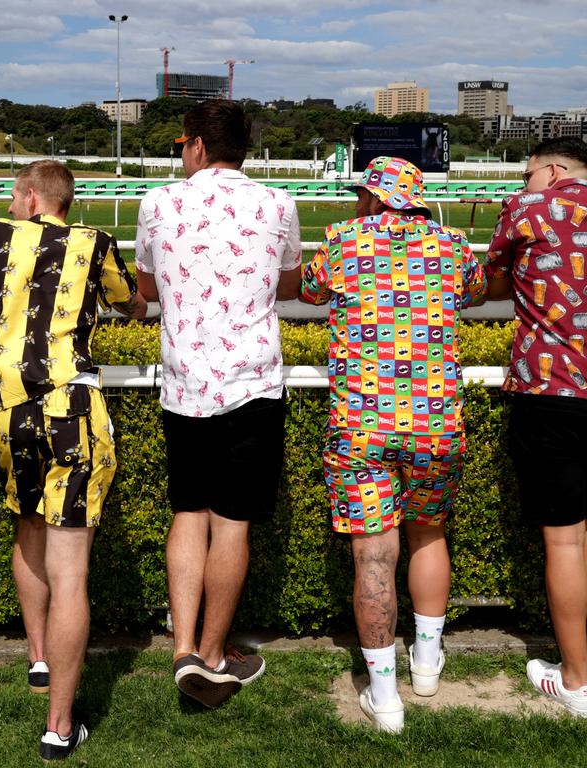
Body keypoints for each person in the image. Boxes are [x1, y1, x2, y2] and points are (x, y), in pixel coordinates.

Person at [300, 156, 486, 732]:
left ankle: (385, 699)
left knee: (373, 553)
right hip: (436, 425)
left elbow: (309, 294)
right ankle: (426, 666)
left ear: (375, 197)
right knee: (429, 533)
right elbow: (474, 295)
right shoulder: (453, 244)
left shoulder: (341, 239)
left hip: (362, 424)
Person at [0, 159, 143, 760]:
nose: (11, 204)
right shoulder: (95, 243)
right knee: (72, 572)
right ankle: (59, 726)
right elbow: (131, 304)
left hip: (4, 411)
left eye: (16, 195)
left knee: (27, 524)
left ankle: (39, 658)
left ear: (31, 194)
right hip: (73, 409)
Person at [133, 100, 302, 709]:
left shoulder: (157, 203)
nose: (181, 153)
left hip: (184, 386)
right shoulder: (278, 204)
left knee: (189, 513)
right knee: (233, 522)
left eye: (183, 144)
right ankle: (211, 652)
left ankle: (183, 649)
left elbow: (145, 288)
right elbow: (289, 282)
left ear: (198, 146)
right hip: (253, 384)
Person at [484, 137, 587, 717]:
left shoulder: (530, 209)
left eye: (526, 175)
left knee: (566, 539)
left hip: (553, 391)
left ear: (551, 171)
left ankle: (576, 679)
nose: (523, 183)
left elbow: (491, 283)